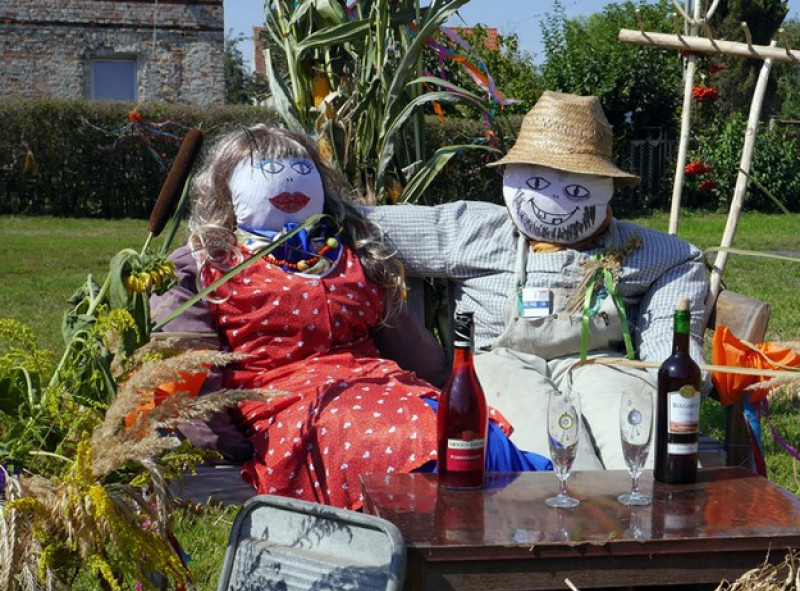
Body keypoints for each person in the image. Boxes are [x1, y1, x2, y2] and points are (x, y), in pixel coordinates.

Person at [151, 124, 550, 512]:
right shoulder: (208, 265)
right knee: (425, 445)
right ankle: (441, 563)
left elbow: (413, 348)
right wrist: (220, 444)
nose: (288, 185)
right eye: (268, 172)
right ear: (227, 189)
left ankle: (529, 557)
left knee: (477, 438)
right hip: (290, 406)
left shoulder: (346, 255)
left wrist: (448, 389)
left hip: (386, 389)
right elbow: (187, 363)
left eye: (301, 170)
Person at [365, 91, 710, 470]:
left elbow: (683, 263)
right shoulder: (476, 230)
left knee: (638, 440)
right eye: (538, 184)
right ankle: (567, 516)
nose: (552, 202)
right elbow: (370, 228)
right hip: (500, 363)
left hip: (600, 365)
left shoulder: (635, 247)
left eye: (577, 190)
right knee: (546, 450)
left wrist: (673, 358)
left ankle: (646, 515)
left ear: (606, 186)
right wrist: (311, 218)